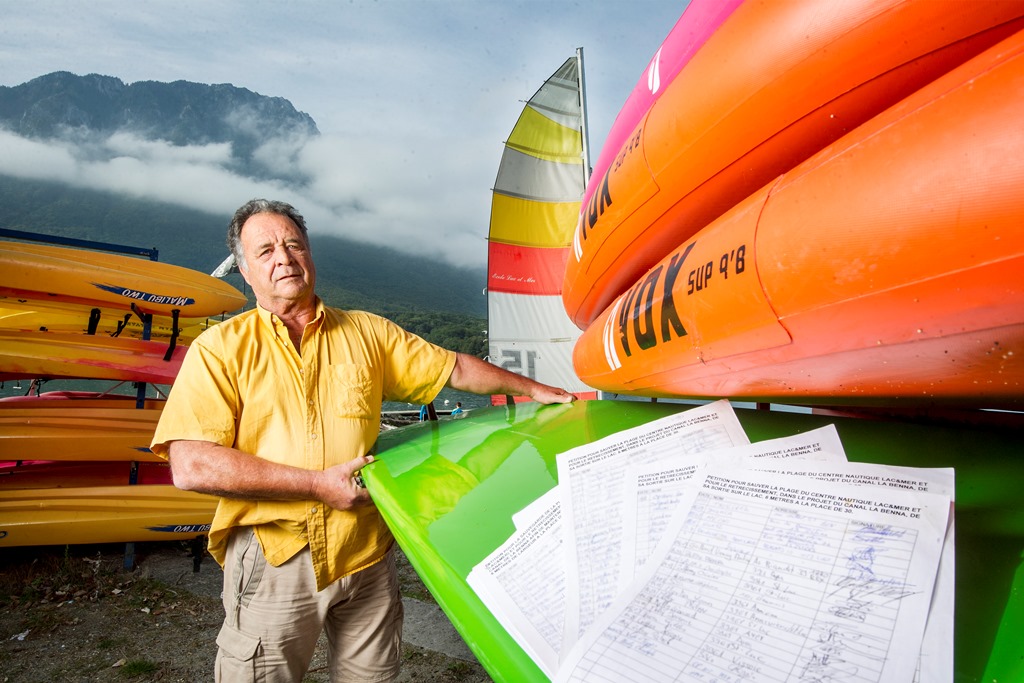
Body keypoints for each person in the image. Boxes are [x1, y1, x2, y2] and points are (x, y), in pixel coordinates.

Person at [150, 198, 575, 683]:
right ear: (246, 271)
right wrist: (315, 485)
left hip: (366, 552)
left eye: (293, 244)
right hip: (277, 555)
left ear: (310, 254)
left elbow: (451, 367)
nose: (284, 258)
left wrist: (533, 389)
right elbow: (191, 465)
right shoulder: (219, 349)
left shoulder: (367, 333)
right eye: (265, 250)